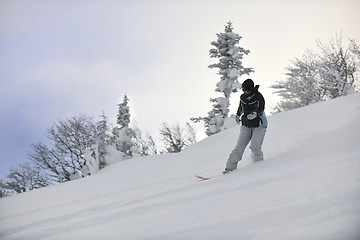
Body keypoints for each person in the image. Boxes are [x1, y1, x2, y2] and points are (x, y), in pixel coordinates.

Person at [222, 79, 267, 174]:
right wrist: (238, 115)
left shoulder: (258, 97)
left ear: (251, 89)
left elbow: (261, 108)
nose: (245, 92)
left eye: (247, 90)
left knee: (255, 146)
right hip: (246, 125)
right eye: (243, 90)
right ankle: (229, 169)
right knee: (238, 148)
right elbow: (241, 107)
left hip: (259, 125)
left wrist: (255, 114)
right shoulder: (242, 97)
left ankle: (259, 166)